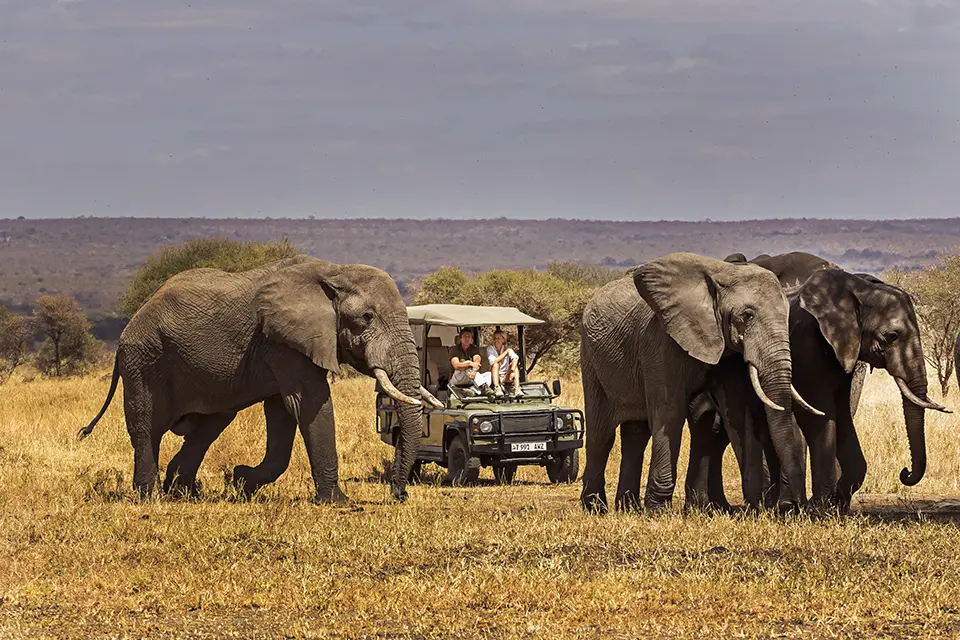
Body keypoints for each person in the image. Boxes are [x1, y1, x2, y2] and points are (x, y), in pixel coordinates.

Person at [448, 328, 494, 396]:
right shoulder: (454, 349)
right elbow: (456, 366)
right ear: (460, 338)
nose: (467, 339)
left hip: (471, 377)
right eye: (465, 336)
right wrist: (470, 364)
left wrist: (474, 371)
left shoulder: (474, 349)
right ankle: (483, 387)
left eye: (469, 336)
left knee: (489, 374)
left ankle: (473, 391)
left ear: (471, 339)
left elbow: (477, 361)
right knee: (468, 363)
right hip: (458, 378)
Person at [486, 330, 524, 397]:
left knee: (514, 366)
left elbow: (515, 358)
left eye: (499, 338)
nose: (496, 340)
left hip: (506, 376)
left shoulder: (508, 349)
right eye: (495, 338)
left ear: (503, 340)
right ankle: (497, 387)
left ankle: (517, 388)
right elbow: (493, 361)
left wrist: (512, 370)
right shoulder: (490, 349)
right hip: (495, 376)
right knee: (495, 365)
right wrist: (505, 352)